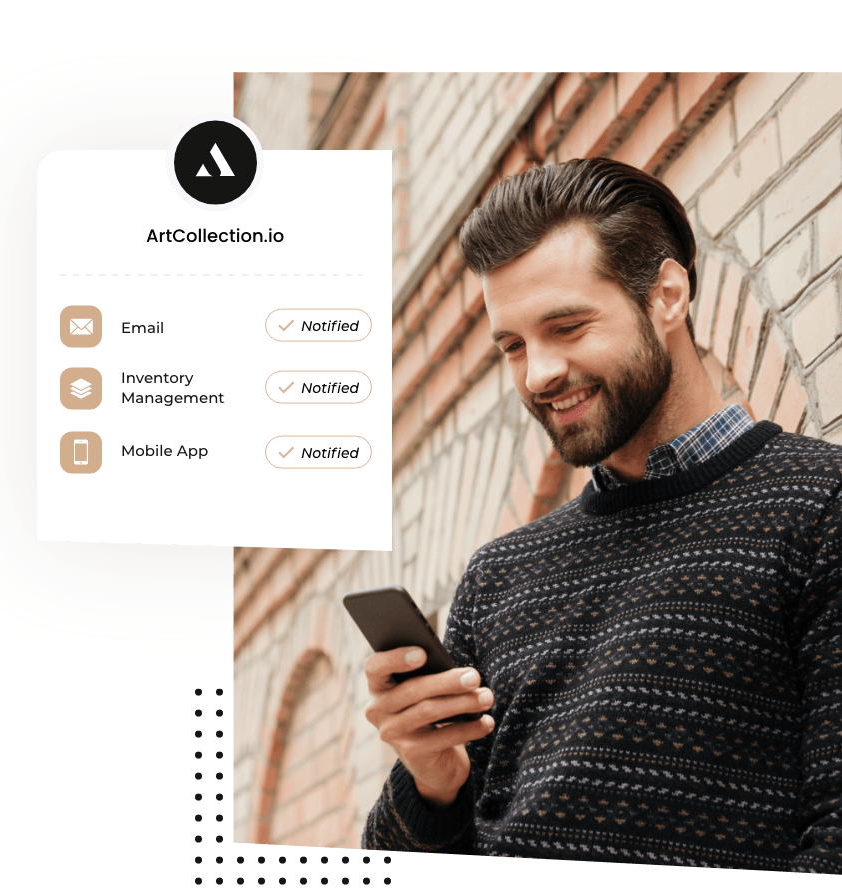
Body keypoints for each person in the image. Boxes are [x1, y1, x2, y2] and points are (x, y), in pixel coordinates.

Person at [361, 158, 842, 872]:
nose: (538, 373)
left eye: (566, 326)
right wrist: (432, 779)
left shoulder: (818, 505)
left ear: (667, 295)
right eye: (513, 345)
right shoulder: (497, 577)